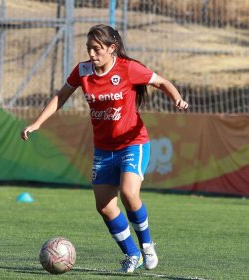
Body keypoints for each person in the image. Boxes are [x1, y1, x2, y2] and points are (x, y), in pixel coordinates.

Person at [21, 24, 188, 273]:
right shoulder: (83, 71)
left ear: (112, 48)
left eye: (97, 49)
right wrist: (37, 123)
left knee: (129, 194)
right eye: (88, 48)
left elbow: (161, 82)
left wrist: (176, 97)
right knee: (105, 207)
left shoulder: (128, 68)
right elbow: (61, 96)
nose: (91, 54)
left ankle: (147, 245)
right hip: (103, 149)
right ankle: (132, 254)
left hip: (133, 143)